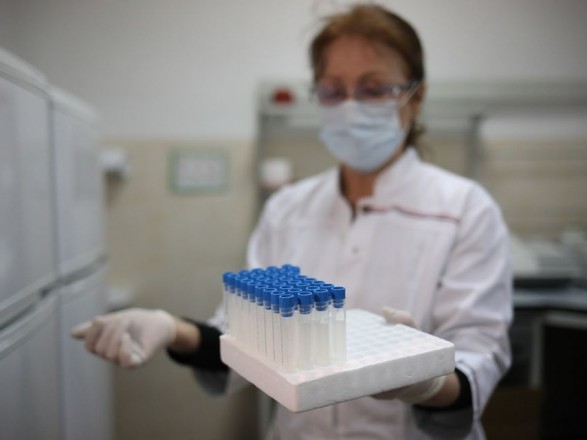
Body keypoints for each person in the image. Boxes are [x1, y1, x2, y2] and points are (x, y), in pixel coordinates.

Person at [72, 4, 512, 439]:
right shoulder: (287, 209)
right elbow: (247, 338)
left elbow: (478, 355)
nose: (351, 107)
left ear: (415, 97)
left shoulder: (465, 210)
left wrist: (425, 381)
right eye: (333, 90)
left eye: (374, 88)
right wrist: (172, 329)